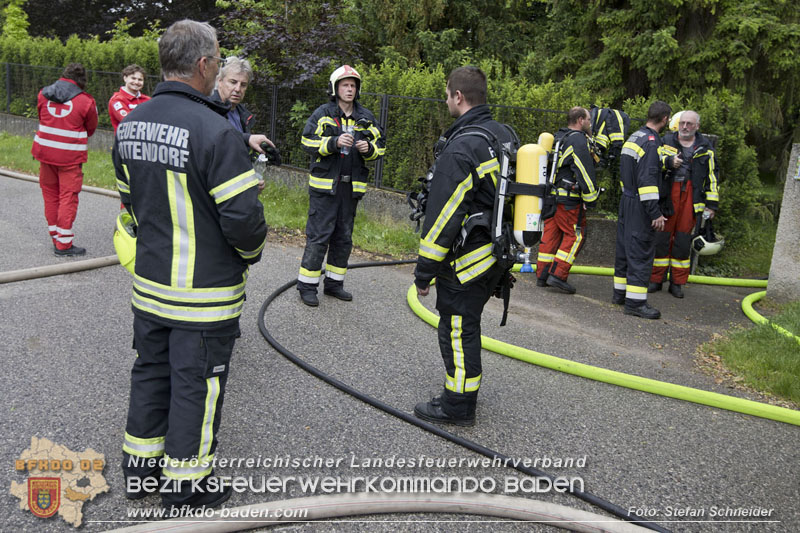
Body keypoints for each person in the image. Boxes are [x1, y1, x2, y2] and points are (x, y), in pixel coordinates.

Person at [113, 19, 268, 511]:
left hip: (150, 287)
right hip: (203, 297)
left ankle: (140, 471)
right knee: (196, 388)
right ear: (203, 65)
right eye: (218, 61)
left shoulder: (131, 123)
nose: (220, 69)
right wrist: (247, 258)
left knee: (150, 373)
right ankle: (187, 487)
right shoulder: (216, 131)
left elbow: (131, 206)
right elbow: (244, 224)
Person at [413, 66, 516, 426]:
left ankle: (457, 405)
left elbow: (443, 217)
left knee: (457, 328)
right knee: (467, 324)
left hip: (467, 260)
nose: (446, 100)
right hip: (495, 256)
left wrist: (424, 272)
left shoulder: (464, 146)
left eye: (447, 95)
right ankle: (465, 392)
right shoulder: (501, 134)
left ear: (458, 96)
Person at [296, 64, 385, 307]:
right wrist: (333, 142)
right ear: (335, 88)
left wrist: (370, 149)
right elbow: (306, 141)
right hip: (325, 189)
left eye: (353, 85)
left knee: (343, 238)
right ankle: (307, 285)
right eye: (345, 85)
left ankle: (334, 284)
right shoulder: (323, 114)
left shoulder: (366, 118)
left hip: (351, 189)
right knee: (319, 236)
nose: (349, 89)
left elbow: (381, 146)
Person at [613, 101, 681, 319]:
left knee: (625, 249)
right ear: (665, 119)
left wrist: (668, 162)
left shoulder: (636, 137)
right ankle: (636, 303)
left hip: (627, 200)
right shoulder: (651, 142)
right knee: (641, 252)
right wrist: (655, 213)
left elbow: (638, 167)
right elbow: (648, 181)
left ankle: (620, 294)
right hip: (641, 206)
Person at [649, 110, 719, 298]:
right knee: (661, 239)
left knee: (682, 240)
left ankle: (677, 283)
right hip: (668, 195)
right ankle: (656, 280)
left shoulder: (706, 148)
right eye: (682, 123)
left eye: (689, 123)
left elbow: (712, 178)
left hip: (691, 197)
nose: (685, 127)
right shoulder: (665, 141)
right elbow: (653, 165)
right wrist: (669, 162)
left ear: (697, 126)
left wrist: (711, 205)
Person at [31, 63, 98, 256]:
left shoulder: (43, 93)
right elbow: (91, 128)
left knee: (50, 195)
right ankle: (64, 244)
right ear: (82, 81)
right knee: (68, 197)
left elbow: (41, 117)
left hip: (45, 154)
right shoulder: (86, 101)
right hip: (69, 156)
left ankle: (55, 236)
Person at [535, 106, 599, 294]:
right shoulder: (578, 140)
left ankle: (543, 274)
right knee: (576, 235)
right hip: (569, 201)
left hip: (552, 197)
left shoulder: (559, 137)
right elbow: (584, 170)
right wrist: (591, 198)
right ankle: (558, 275)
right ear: (580, 120)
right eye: (588, 119)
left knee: (550, 235)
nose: (590, 123)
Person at [108, 64, 150, 132]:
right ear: (125, 78)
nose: (136, 82)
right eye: (133, 78)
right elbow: (129, 122)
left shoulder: (147, 100)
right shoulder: (116, 100)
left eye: (140, 80)